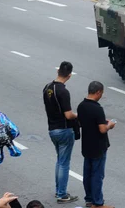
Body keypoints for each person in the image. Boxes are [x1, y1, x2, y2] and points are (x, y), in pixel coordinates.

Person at [42, 62, 78, 204]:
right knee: (64, 162)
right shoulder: (63, 91)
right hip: (64, 129)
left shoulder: (47, 88)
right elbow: (68, 115)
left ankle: (59, 190)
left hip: (52, 129)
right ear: (69, 75)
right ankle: (62, 194)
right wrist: (78, 115)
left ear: (58, 71)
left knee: (59, 161)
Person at [77, 81, 115, 208]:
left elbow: (84, 122)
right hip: (98, 146)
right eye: (101, 93)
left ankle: (89, 199)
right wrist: (109, 125)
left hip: (86, 145)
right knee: (97, 175)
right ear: (98, 92)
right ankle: (98, 203)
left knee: (87, 173)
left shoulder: (81, 106)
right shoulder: (97, 108)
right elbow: (102, 129)